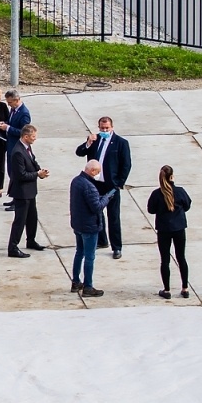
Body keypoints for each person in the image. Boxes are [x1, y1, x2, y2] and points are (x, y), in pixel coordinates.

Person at [76, 116, 132, 257]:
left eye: (107, 128)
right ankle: (102, 241)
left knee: (113, 217)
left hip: (111, 186)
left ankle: (116, 247)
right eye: (102, 128)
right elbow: (79, 152)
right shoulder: (95, 140)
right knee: (96, 214)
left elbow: (126, 165)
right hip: (95, 184)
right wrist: (88, 143)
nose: (105, 130)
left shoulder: (121, 143)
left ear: (112, 127)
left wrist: (119, 183)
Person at [69, 160, 118, 297]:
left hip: (78, 224)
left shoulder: (76, 181)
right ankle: (88, 287)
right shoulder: (89, 186)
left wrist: (100, 197)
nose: (99, 174)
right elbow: (96, 207)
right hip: (89, 226)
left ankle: (76, 282)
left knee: (79, 252)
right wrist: (107, 198)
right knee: (89, 257)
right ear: (92, 171)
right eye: (98, 172)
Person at [147, 165, 193, 299]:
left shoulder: (156, 194)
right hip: (179, 228)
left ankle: (166, 290)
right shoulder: (180, 191)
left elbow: (151, 209)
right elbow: (187, 205)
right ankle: (185, 288)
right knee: (181, 257)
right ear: (172, 176)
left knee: (165, 260)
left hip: (163, 229)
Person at [5, 124, 49, 258]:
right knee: (20, 220)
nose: (35, 139)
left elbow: (33, 162)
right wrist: (37, 174)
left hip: (30, 191)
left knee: (32, 218)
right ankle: (12, 247)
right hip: (22, 192)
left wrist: (40, 171)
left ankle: (31, 240)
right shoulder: (18, 152)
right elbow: (21, 175)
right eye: (33, 137)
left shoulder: (27, 148)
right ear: (26, 136)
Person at [0, 91, 31, 209]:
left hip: (17, 148)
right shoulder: (13, 110)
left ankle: (19, 201)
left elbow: (24, 132)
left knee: (17, 175)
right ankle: (14, 198)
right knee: (12, 173)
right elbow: (11, 123)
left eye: (10, 102)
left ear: (16, 100)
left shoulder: (24, 113)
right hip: (10, 146)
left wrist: (8, 128)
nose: (8, 104)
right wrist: (4, 124)